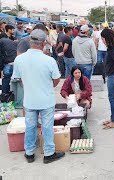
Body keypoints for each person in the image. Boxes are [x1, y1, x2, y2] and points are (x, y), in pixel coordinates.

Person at [12, 29, 65, 164]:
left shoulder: (19, 59)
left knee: (30, 125)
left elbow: (19, 79)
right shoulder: (49, 60)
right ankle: (48, 153)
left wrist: (30, 85)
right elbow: (56, 80)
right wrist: (46, 85)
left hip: (29, 99)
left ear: (30, 41)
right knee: (47, 126)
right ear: (43, 44)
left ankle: (29, 153)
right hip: (46, 99)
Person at [100, 29, 114, 129]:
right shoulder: (111, 48)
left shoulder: (113, 49)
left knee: (112, 98)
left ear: (106, 38)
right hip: (111, 75)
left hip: (113, 76)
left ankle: (113, 122)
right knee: (111, 98)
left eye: (103, 38)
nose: (102, 41)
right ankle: (112, 118)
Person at [0, 26, 17, 94]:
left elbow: (0, 56)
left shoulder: (1, 42)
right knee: (14, 81)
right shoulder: (11, 41)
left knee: (5, 80)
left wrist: (1, 70)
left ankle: (5, 97)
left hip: (8, 64)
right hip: (15, 63)